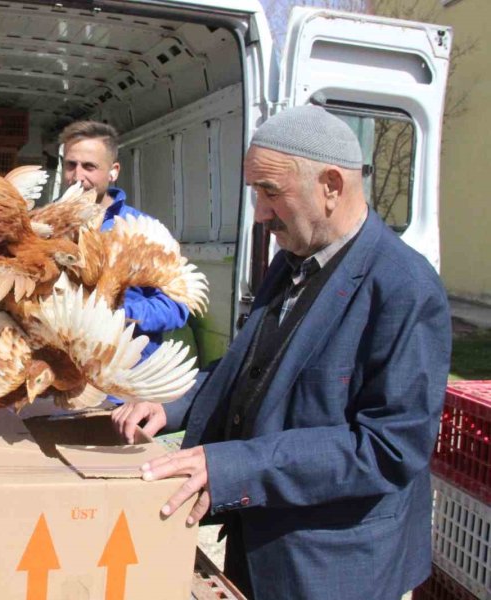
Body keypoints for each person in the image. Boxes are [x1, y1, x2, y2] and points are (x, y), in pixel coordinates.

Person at [111, 105, 451, 599]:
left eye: (271, 192)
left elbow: (389, 448)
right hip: (259, 544)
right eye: (256, 192)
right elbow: (251, 370)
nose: (260, 213)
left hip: (331, 566)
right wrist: (171, 401)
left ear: (331, 185)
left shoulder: (405, 287)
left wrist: (234, 467)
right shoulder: (292, 260)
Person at [59, 120, 190, 367]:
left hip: (122, 375)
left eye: (89, 166)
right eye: (70, 165)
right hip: (60, 371)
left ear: (113, 171)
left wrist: (117, 312)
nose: (77, 177)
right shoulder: (48, 228)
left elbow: (176, 308)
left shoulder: (143, 230)